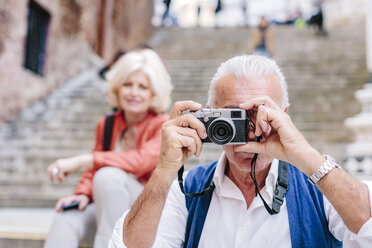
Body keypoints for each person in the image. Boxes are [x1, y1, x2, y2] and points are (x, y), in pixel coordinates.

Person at [110, 55, 372, 247]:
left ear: (284, 118)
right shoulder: (189, 189)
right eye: (233, 116)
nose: (249, 130)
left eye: (260, 114)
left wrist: (305, 155)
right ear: (209, 117)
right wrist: (165, 169)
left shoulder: (319, 190)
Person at [44, 48, 172, 248]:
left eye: (142, 87)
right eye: (127, 85)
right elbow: (93, 170)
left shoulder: (163, 125)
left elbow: (140, 162)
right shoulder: (107, 123)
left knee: (107, 175)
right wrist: (82, 194)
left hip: (146, 208)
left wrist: (83, 160)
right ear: (117, 88)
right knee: (67, 217)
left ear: (153, 93)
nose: (133, 93)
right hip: (109, 202)